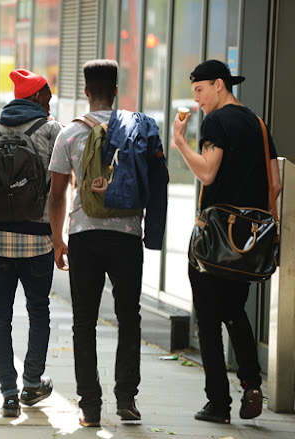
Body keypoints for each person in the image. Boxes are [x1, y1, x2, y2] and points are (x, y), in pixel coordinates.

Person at [49, 59, 167, 428]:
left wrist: (57, 241)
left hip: (84, 235)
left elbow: (56, 195)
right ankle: (127, 400)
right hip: (127, 236)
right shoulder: (135, 129)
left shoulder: (69, 134)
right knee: (129, 317)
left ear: (86, 92)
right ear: (116, 91)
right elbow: (156, 181)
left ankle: (90, 407)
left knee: (84, 321)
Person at [172, 59, 281, 424]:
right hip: (247, 243)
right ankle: (251, 382)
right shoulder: (258, 124)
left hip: (213, 240)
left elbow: (207, 171)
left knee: (208, 318)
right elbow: (276, 184)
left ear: (220, 84)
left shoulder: (216, 122)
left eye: (200, 90)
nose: (198, 100)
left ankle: (218, 403)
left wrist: (180, 144)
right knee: (235, 312)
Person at [0, 69, 61, 417]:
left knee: (0, 314)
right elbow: (58, 191)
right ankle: (32, 383)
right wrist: (56, 234)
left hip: (0, 239)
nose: (50, 104)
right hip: (39, 241)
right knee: (39, 311)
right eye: (48, 98)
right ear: (37, 97)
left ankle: (8, 392)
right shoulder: (52, 132)